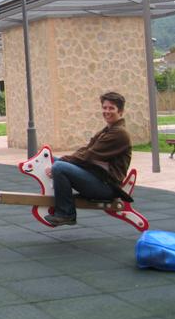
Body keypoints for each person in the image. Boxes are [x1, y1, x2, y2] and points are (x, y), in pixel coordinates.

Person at [44, 91, 133, 227]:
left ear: (120, 111)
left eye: (111, 108)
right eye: (104, 107)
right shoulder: (107, 130)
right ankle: (56, 194)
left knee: (59, 167)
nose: (107, 111)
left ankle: (66, 214)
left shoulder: (119, 133)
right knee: (54, 161)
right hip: (98, 178)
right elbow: (85, 150)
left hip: (106, 187)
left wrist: (61, 162)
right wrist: (61, 160)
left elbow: (89, 155)